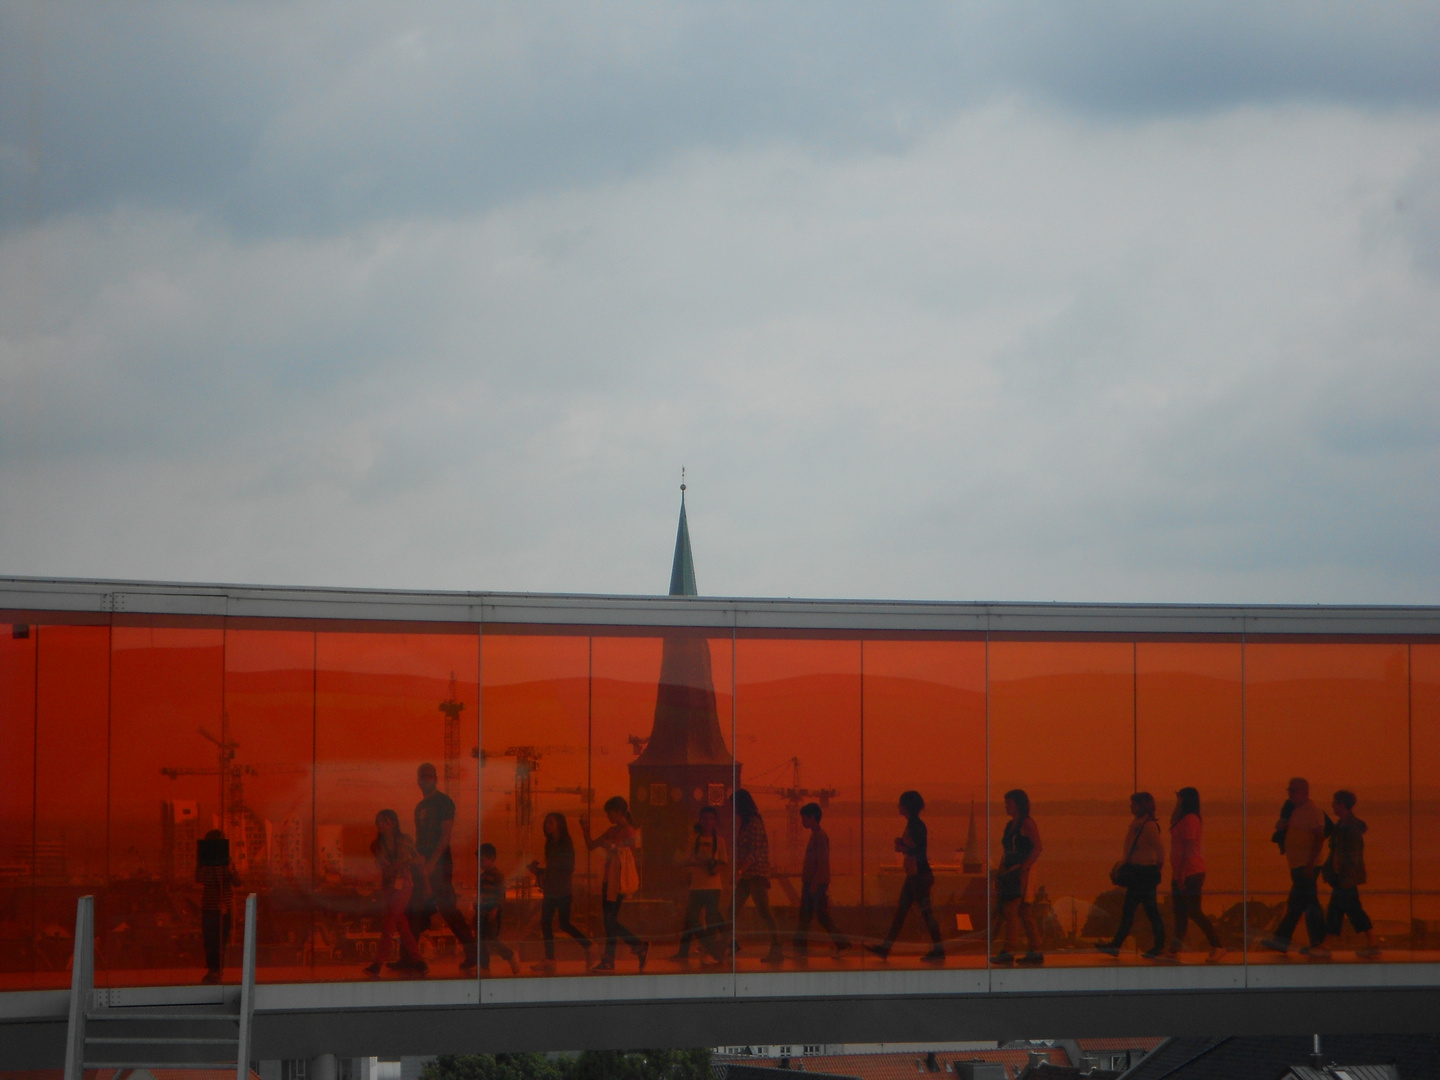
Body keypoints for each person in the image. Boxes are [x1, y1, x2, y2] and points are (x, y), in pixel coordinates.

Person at [408, 763, 478, 973]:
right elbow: (421, 837)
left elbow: (445, 835)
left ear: (436, 779)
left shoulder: (443, 802)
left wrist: (433, 862)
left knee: (447, 909)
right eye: (423, 776)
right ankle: (410, 956)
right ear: (419, 779)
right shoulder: (420, 807)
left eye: (430, 776)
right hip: (424, 863)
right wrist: (420, 860)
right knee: (414, 911)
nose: (427, 779)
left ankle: (473, 953)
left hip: (439, 863)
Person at [867, 790, 944, 963]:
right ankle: (885, 948)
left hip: (918, 875)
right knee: (906, 913)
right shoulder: (915, 824)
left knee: (921, 913)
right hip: (915, 875)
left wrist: (903, 848)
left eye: (901, 804)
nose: (898, 806)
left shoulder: (915, 825)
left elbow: (918, 851)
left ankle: (938, 950)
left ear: (907, 807)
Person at [581, 796, 649, 972]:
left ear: (618, 812)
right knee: (609, 921)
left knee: (609, 920)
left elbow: (629, 853)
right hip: (608, 879)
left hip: (617, 880)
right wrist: (585, 830)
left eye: (609, 813)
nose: (608, 817)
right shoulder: (612, 830)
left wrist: (610, 846)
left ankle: (614, 956)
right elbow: (591, 845)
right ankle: (631, 947)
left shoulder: (629, 831)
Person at [1263, 777, 1329, 957]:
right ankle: (1284, 940)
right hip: (1296, 865)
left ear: (1305, 792)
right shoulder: (1292, 810)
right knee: (1298, 903)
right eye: (1289, 790)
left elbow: (1318, 838)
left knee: (1305, 903)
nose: (1291, 793)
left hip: (1307, 865)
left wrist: (1310, 864)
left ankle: (1316, 943)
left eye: (1295, 790)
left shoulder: (1313, 811)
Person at [1097, 792, 1167, 960]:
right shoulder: (1140, 824)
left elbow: (1159, 849)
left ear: (1141, 805)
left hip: (1143, 873)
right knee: (1144, 911)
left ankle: (1120, 945)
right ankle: (1121, 945)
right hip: (1142, 873)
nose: (1131, 806)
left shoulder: (1147, 826)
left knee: (1139, 911)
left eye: (1133, 804)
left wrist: (1156, 867)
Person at [363, 809, 428, 977]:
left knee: (390, 922)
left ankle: (378, 962)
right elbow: (381, 866)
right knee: (401, 925)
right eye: (379, 822)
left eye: (384, 821)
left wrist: (426, 882)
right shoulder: (376, 845)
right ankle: (419, 960)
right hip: (388, 886)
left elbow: (419, 860)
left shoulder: (405, 841)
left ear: (393, 822)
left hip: (403, 885)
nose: (380, 825)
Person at [527, 812, 592, 972]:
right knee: (551, 922)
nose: (547, 825)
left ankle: (586, 946)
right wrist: (540, 871)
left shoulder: (564, 844)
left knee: (561, 923)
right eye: (546, 822)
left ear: (559, 824)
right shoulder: (550, 843)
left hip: (561, 889)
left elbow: (568, 867)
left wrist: (545, 870)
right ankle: (552, 958)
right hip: (552, 889)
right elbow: (555, 866)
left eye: (550, 822)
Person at [1167, 787, 1226, 963]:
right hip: (1180, 873)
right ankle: (1173, 950)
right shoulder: (1182, 819)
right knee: (1180, 913)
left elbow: (1189, 847)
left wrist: (1182, 873)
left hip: (1191, 872)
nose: (1178, 801)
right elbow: (1172, 820)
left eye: (1180, 798)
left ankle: (1218, 945)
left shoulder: (1191, 820)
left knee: (1193, 911)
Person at [1324, 790, 1380, 959]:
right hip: (1342, 876)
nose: (1333, 805)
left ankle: (1328, 943)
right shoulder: (1343, 825)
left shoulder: (1349, 827)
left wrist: (1343, 873)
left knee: (1344, 909)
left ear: (1342, 805)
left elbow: (1351, 854)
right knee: (1344, 909)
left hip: (1345, 877)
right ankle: (1370, 942)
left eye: (1335, 802)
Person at [992, 789, 1043, 966]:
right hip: (1010, 871)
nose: (1006, 806)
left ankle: (1009, 949)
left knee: (1011, 910)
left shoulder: (1027, 823)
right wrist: (999, 872)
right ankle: (1036, 949)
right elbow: (1007, 852)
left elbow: (1037, 847)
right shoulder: (1010, 825)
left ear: (1018, 804)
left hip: (1021, 872)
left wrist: (1024, 867)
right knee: (1024, 912)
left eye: (1009, 803)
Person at [732, 789, 784, 964]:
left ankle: (777, 948)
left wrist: (740, 871)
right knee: (733, 909)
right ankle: (730, 943)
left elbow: (755, 852)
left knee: (764, 911)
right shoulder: (747, 823)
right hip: (748, 875)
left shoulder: (753, 823)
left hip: (755, 874)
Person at [793, 802, 851, 958]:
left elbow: (823, 862)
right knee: (806, 917)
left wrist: (815, 883)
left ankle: (843, 945)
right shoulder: (816, 835)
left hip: (815, 885)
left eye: (804, 818)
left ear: (812, 817)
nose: (803, 822)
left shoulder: (819, 836)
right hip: (813, 884)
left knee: (820, 917)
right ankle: (800, 949)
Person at [672, 805, 727, 965]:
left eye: (710, 818)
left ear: (715, 821)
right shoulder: (693, 839)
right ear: (700, 820)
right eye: (704, 818)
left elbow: (724, 863)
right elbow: (687, 859)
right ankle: (712, 948)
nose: (707, 821)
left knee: (711, 922)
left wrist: (714, 867)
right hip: (696, 886)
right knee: (691, 918)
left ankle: (708, 951)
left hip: (713, 887)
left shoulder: (721, 841)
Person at [196, 830, 240, 984]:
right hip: (210, 906)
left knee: (220, 940)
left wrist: (229, 867)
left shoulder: (227, 861)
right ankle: (212, 969)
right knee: (210, 940)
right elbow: (199, 878)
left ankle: (217, 970)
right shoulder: (205, 863)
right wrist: (203, 862)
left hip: (222, 907)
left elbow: (238, 881)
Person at [478, 842, 520, 974]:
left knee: (491, 940)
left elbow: (501, 895)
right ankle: (484, 966)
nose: (480, 863)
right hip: (483, 913)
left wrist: (495, 909)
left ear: (491, 859)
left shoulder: (497, 876)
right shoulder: (483, 877)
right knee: (482, 941)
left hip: (492, 913)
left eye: (482, 860)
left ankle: (510, 955)